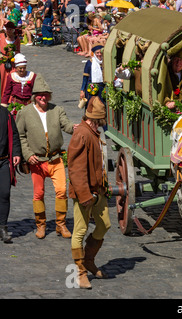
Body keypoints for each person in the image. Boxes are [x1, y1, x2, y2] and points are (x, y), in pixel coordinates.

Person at [15, 74, 76, 240]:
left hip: (55, 159)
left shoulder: (56, 110)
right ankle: (40, 224)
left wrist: (78, 128)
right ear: (35, 96)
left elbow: (67, 125)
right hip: (37, 161)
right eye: (40, 94)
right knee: (38, 194)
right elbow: (20, 136)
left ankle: (61, 224)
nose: (44, 97)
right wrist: (28, 155)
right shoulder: (25, 113)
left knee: (62, 191)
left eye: (46, 94)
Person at [68, 96, 110, 289]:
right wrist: (85, 196)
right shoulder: (82, 134)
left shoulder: (94, 132)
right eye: (102, 119)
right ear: (96, 119)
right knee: (80, 231)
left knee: (104, 225)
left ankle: (89, 261)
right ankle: (80, 272)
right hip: (84, 193)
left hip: (98, 191)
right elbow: (76, 170)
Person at [0, 93, 21, 243]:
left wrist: (16, 153)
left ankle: (3, 227)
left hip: (3, 162)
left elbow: (14, 134)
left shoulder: (5, 114)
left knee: (5, 193)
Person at [0, 21, 21, 97]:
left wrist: (13, 52)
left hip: (12, 61)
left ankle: (11, 97)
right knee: (3, 78)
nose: (8, 31)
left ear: (13, 30)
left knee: (13, 78)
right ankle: (3, 96)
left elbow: (18, 51)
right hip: (3, 60)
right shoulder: (1, 36)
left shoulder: (16, 39)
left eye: (10, 29)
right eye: (7, 29)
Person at [80, 42, 104, 107]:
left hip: (102, 88)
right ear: (94, 53)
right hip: (92, 88)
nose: (99, 54)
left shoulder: (105, 62)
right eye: (97, 53)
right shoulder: (90, 63)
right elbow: (85, 78)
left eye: (100, 53)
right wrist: (82, 90)